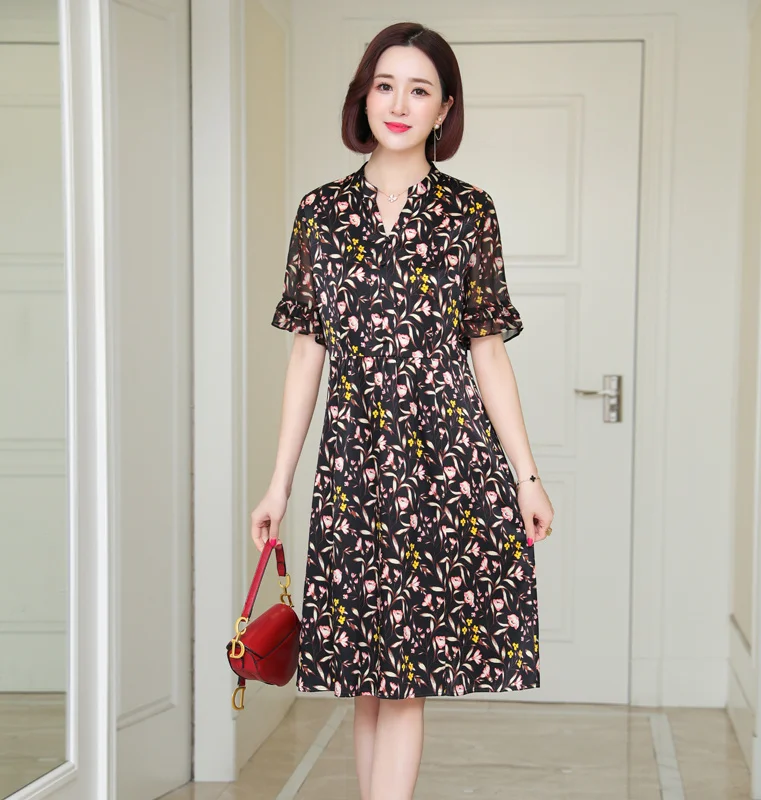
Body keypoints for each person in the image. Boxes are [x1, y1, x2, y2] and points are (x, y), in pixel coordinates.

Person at [250, 21, 555, 800]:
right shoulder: (321, 212)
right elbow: (307, 354)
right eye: (385, 85)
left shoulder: (469, 213)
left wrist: (527, 477)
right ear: (364, 96)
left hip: (442, 463)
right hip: (351, 467)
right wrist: (278, 484)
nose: (398, 103)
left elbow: (488, 352)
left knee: (408, 677)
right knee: (365, 675)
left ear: (444, 108)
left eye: (419, 90)